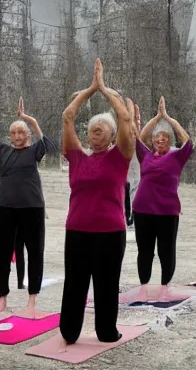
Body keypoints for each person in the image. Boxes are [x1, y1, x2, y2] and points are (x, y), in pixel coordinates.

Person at [58, 58, 134, 348]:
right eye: (92, 128)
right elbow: (67, 116)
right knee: (75, 282)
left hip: (110, 233)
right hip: (77, 230)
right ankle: (69, 330)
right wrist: (90, 90)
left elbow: (125, 119)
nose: (96, 131)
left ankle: (106, 329)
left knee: (106, 284)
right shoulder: (76, 156)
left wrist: (105, 89)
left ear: (113, 135)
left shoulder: (119, 157)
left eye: (102, 128)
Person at [0, 97, 57, 318]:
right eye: (14, 133)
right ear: (10, 137)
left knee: (35, 253)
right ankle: (2, 299)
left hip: (32, 208)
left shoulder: (33, 151)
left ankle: (32, 301)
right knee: (2, 254)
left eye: (21, 132)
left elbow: (49, 145)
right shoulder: (3, 151)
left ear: (27, 135)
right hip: (5, 208)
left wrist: (29, 119)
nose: (17, 136)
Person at [132, 96, 193, 302]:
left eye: (165, 139)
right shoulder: (146, 156)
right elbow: (140, 137)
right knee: (145, 251)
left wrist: (168, 118)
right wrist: (157, 117)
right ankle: (143, 287)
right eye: (157, 139)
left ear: (170, 143)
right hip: (142, 210)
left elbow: (188, 140)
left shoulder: (177, 156)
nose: (160, 141)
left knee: (167, 250)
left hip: (167, 211)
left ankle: (165, 287)